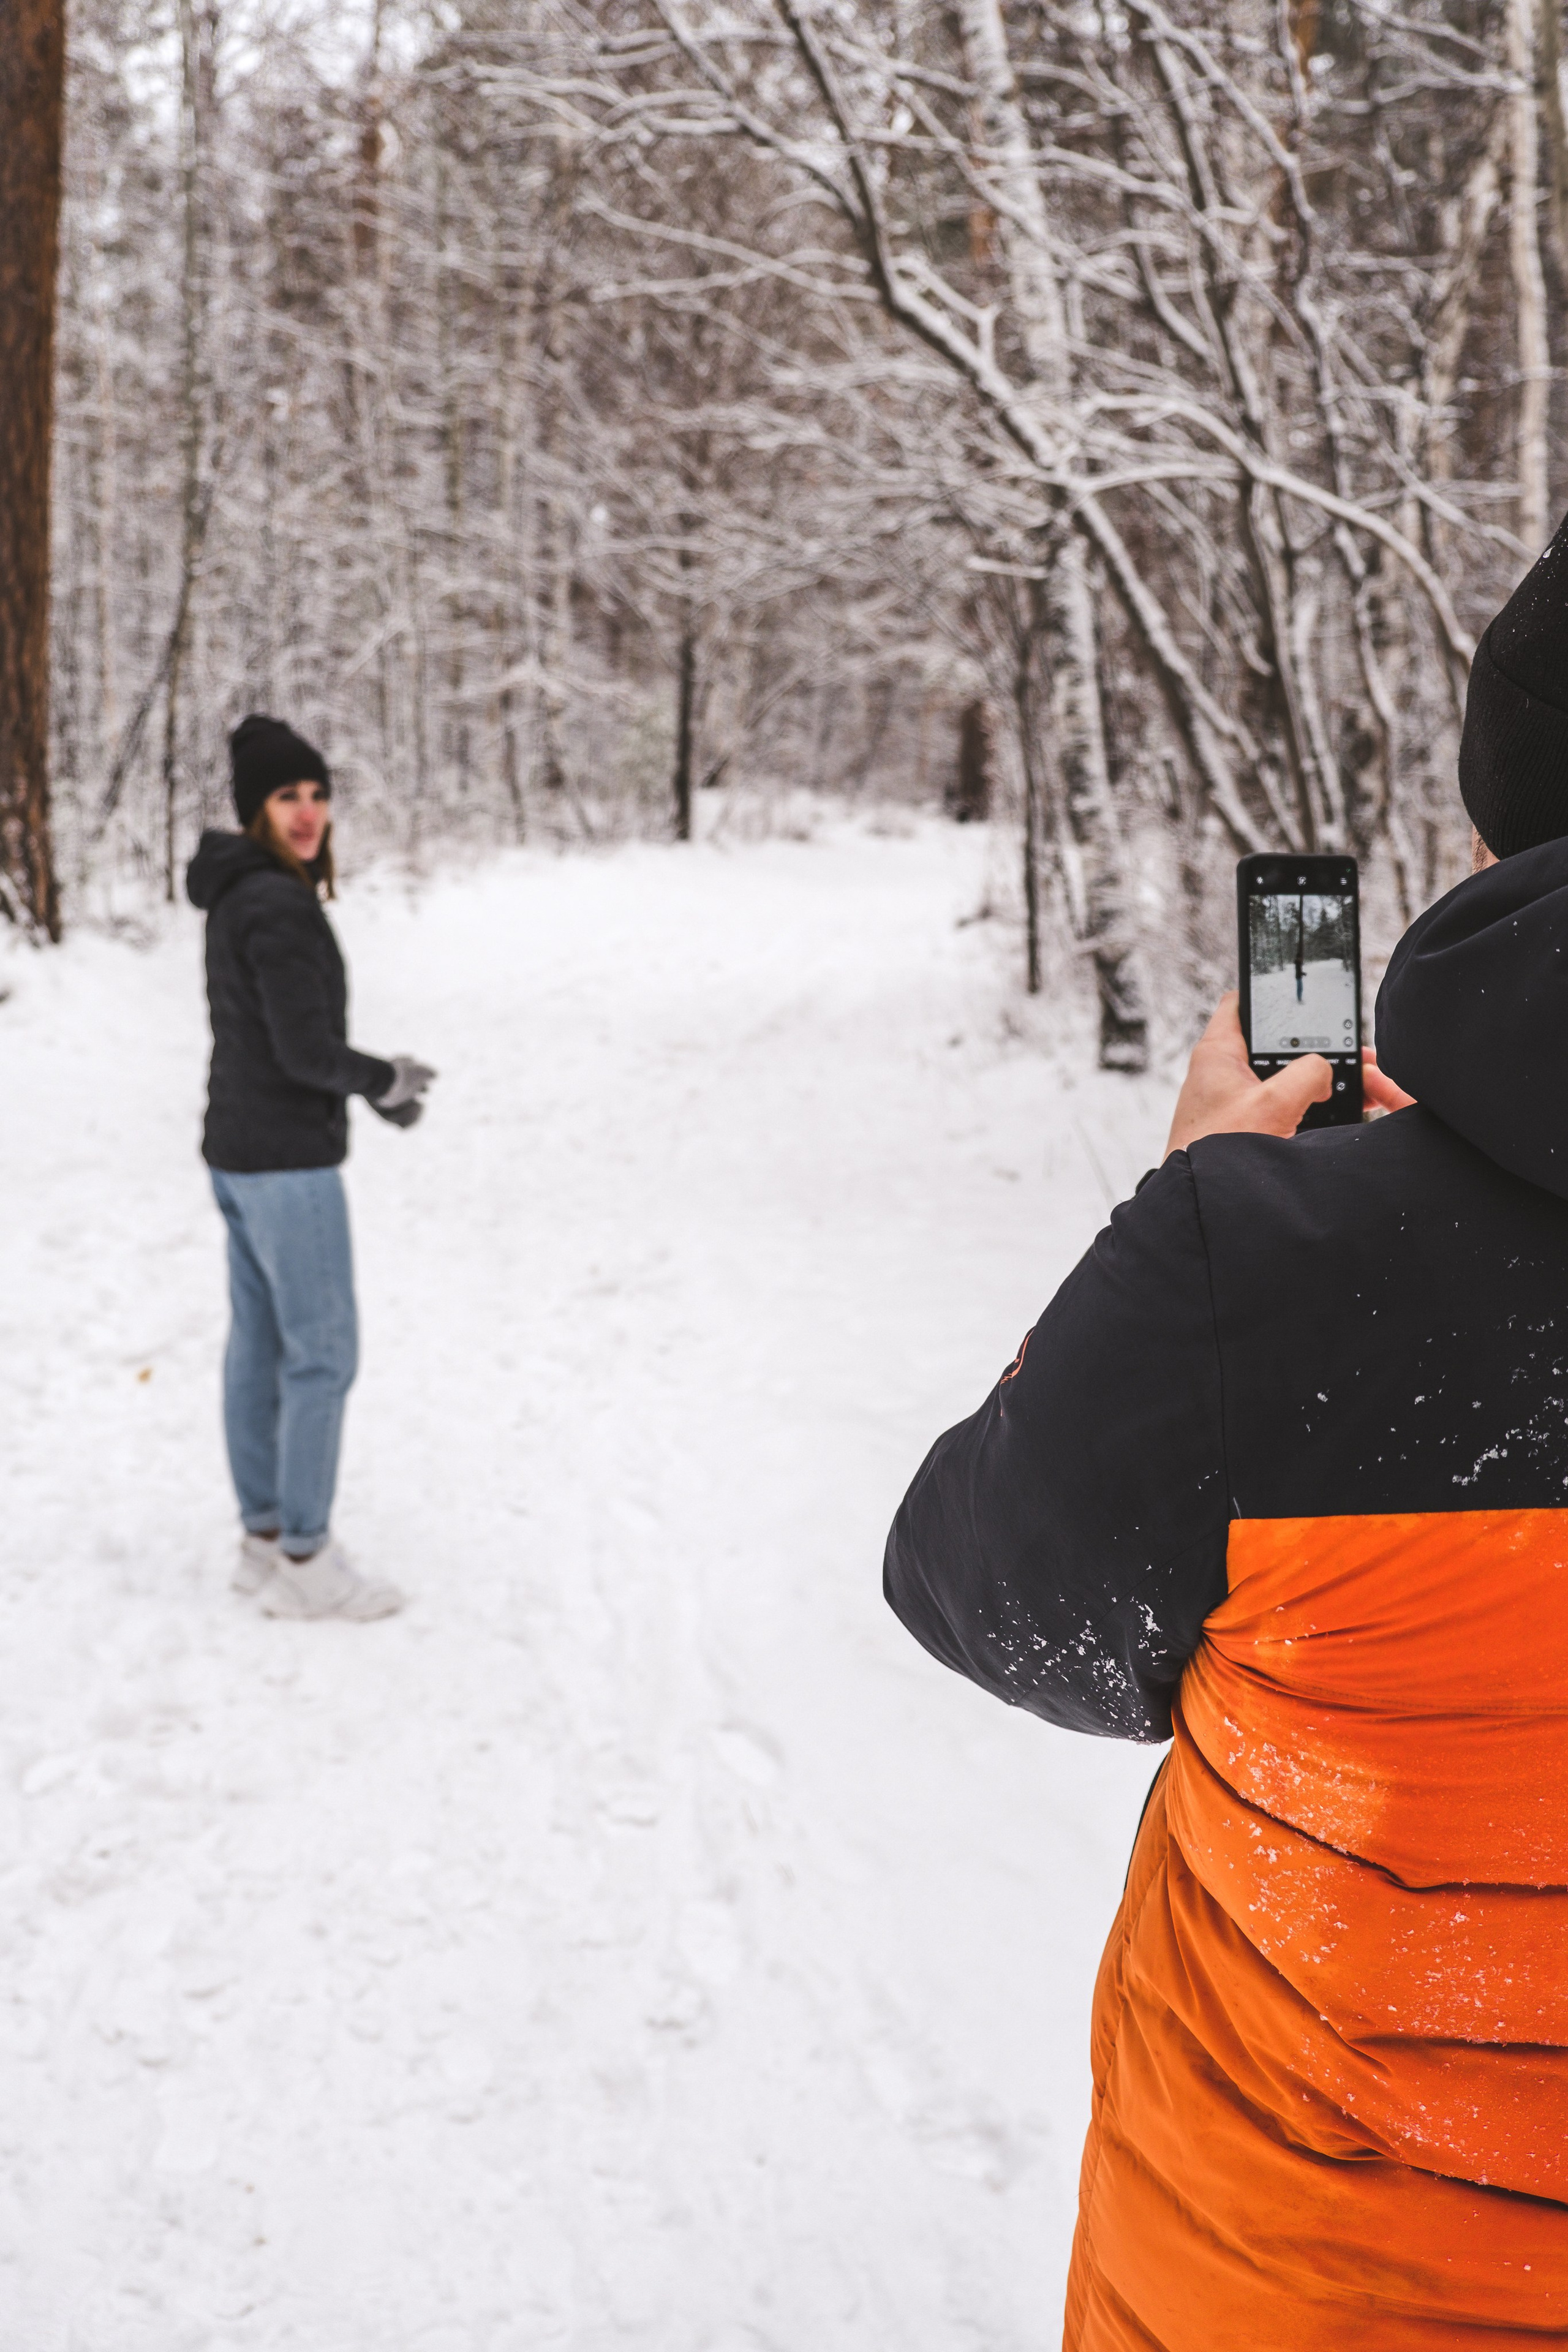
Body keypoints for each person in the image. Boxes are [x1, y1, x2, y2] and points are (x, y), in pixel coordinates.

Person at [884, 518, 1568, 2349]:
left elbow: (990, 1597)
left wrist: (1201, 1207)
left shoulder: (1268, 1265)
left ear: (1506, 830)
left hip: (1287, 2285)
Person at [186, 714, 435, 1621]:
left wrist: (365, 1086)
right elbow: (303, 1050)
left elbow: (276, 1040)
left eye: (317, 794)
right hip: (287, 1162)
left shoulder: (238, 893)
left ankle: (263, 1537)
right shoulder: (276, 902)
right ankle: (306, 1557)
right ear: (256, 808)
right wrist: (385, 1080)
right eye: (287, 796)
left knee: (259, 1346)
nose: (307, 812)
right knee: (322, 1355)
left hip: (239, 1155)